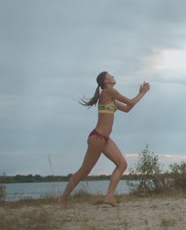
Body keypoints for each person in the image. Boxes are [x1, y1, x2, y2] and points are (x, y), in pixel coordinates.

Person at [58, 71, 150, 208]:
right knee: (84, 171)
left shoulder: (111, 98)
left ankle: (109, 196)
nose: (113, 76)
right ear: (106, 81)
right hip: (97, 138)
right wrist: (142, 92)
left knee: (122, 164)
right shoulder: (108, 92)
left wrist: (139, 94)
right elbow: (131, 102)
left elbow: (127, 108)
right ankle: (62, 199)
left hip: (104, 139)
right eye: (110, 75)